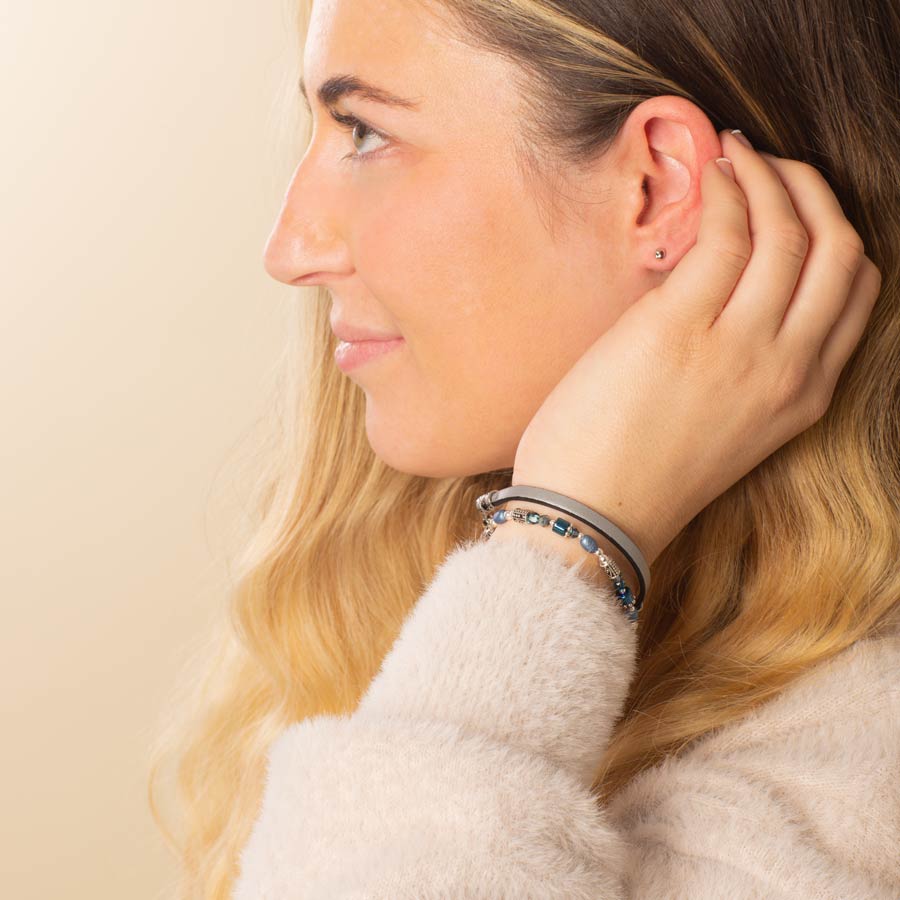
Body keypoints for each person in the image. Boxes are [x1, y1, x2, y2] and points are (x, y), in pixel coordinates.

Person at [148, 0, 899, 897]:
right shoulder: (400, 562)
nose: (290, 248)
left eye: (364, 131)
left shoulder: (859, 775)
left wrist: (568, 531)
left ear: (658, 185)